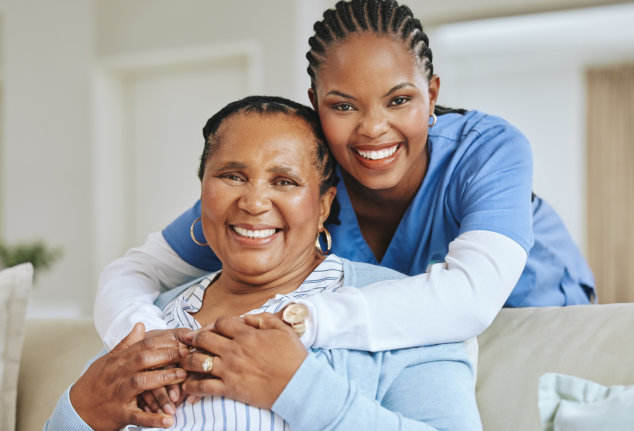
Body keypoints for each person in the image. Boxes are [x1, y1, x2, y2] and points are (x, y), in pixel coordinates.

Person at [46, 96, 482, 430]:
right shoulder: (148, 316)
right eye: (232, 176)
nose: (253, 202)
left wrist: (299, 388)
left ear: (324, 204)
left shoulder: (402, 307)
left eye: (284, 181)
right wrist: (79, 410)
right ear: (203, 191)